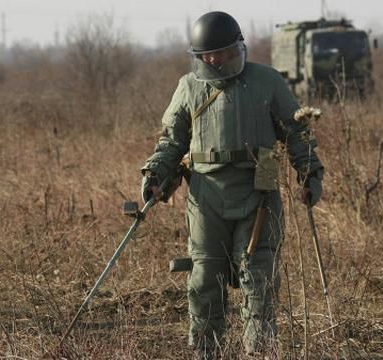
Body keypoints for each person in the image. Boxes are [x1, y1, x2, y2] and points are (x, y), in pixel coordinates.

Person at [140, 11, 324, 358]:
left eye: (220, 52)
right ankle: (206, 351)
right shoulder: (188, 88)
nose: (213, 60)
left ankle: (260, 351)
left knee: (259, 280)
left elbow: (297, 132)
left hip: (259, 195)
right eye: (206, 55)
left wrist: (310, 173)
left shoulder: (267, 81)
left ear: (237, 48)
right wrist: (155, 177)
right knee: (204, 279)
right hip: (206, 199)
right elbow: (171, 141)